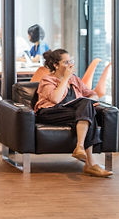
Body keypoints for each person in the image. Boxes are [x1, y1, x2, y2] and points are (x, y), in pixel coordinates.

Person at [34, 49, 113, 178]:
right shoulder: (47, 80)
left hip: (71, 113)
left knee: (88, 109)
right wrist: (65, 78)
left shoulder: (75, 79)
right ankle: (90, 163)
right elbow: (55, 99)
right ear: (56, 65)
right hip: (50, 112)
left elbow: (92, 94)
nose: (70, 65)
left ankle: (82, 151)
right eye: (66, 62)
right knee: (88, 112)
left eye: (71, 61)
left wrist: (90, 100)